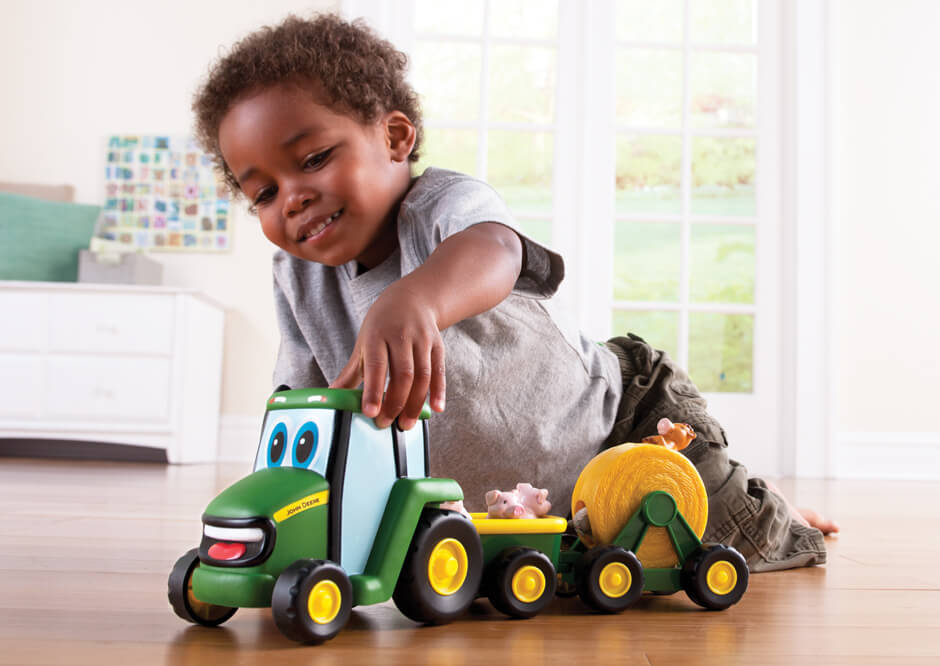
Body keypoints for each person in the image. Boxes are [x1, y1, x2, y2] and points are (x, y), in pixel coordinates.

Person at [192, 13, 836, 572]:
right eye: (264, 193)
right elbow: (296, 405)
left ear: (394, 138)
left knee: (726, 535)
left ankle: (767, 504)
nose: (293, 199)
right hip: (523, 507)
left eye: (312, 160)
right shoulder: (297, 278)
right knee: (591, 567)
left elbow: (497, 251)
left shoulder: (441, 206)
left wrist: (415, 298)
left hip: (623, 427)